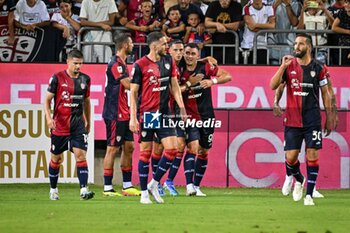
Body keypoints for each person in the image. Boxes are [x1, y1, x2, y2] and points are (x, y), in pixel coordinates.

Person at [270, 33, 333, 206]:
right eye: (295, 43)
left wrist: (329, 116)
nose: (296, 47)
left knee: (312, 154)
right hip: (292, 120)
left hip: (312, 119)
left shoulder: (319, 68)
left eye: (300, 44)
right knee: (290, 158)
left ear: (309, 47)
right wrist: (282, 66)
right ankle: (299, 178)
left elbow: (326, 94)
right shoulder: (289, 66)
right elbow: (273, 85)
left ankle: (309, 196)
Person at [129, 31, 186, 204]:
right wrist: (133, 117)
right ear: (154, 46)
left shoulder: (168, 61)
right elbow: (133, 92)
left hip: (164, 111)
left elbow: (174, 87)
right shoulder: (140, 65)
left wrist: (182, 107)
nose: (166, 47)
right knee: (145, 152)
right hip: (148, 113)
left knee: (173, 149)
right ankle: (144, 193)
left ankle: (154, 183)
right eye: (163, 44)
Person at [180, 43, 231, 196]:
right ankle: (189, 185)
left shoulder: (206, 66)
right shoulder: (178, 68)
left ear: (198, 55)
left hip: (207, 115)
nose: (189, 56)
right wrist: (190, 84)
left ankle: (196, 186)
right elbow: (174, 88)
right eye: (187, 53)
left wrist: (212, 81)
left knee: (204, 152)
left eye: (193, 53)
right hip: (189, 115)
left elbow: (228, 76)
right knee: (192, 147)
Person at [44, 49, 95, 201]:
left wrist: (88, 120)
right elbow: (47, 100)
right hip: (59, 126)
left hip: (77, 126)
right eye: (75, 63)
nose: (78, 66)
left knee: (80, 155)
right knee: (56, 159)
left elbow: (86, 101)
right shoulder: (57, 78)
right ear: (68, 62)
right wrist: (48, 118)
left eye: (80, 63)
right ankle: (53, 190)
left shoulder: (86, 79)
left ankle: (84, 190)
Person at [102, 33, 141, 197]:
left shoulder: (123, 64)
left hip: (124, 112)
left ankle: (127, 186)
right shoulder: (116, 63)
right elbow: (127, 84)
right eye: (131, 43)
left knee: (129, 147)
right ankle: (107, 188)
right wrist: (143, 82)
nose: (133, 45)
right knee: (112, 149)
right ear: (125, 45)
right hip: (114, 112)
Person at [205, 0, 243, 64]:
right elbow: (207, 23)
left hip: (231, 44)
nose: (224, 1)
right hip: (214, 44)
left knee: (231, 67)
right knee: (214, 67)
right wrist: (217, 24)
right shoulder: (213, 5)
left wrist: (219, 25)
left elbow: (235, 26)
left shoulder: (237, 6)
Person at [296, 0, 334, 64]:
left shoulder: (325, 13)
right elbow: (299, 29)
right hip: (308, 48)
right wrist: (302, 10)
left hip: (322, 48)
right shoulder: (304, 14)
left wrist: (324, 9)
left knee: (320, 67)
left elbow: (333, 25)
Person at [240, 0, 275, 64]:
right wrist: (266, 27)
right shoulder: (246, 8)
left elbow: (272, 26)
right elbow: (251, 27)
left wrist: (256, 25)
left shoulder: (269, 8)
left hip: (262, 46)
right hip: (247, 45)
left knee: (262, 72)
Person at [331, 0, 350, 65]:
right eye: (346, 3)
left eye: (349, 3)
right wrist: (348, 31)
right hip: (343, 47)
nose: (346, 5)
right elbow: (334, 28)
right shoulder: (342, 12)